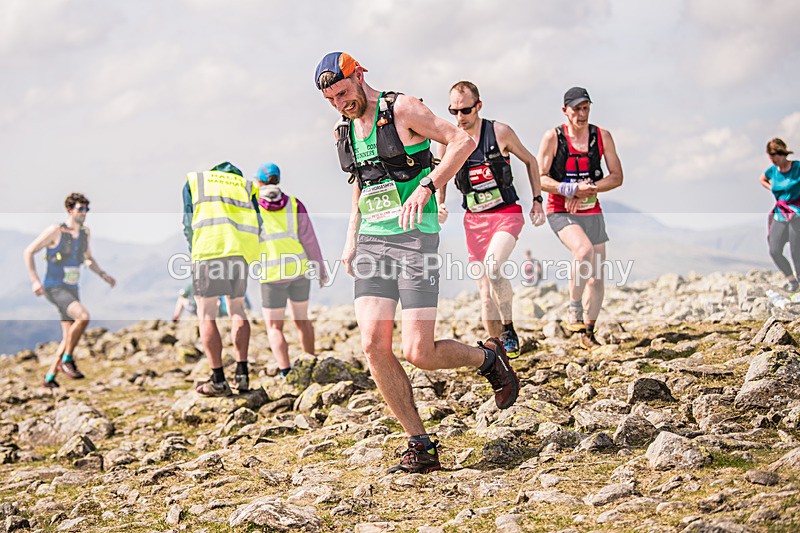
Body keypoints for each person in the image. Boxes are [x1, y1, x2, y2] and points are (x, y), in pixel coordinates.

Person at [315, 52, 520, 474]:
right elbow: (362, 182)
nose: (340, 103)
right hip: (373, 241)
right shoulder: (343, 128)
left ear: (359, 76)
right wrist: (351, 238)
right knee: (373, 345)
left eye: (343, 92)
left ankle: (488, 359)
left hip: (414, 240)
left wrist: (428, 185)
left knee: (419, 352)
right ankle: (420, 443)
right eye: (331, 98)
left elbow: (460, 141)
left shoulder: (402, 108)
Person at [437, 81, 545, 358]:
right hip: (474, 221)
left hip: (505, 214)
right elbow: (442, 175)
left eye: (466, 110)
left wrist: (537, 200)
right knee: (485, 293)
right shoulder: (449, 141)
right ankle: (498, 353)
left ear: (479, 106)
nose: (460, 117)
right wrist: (439, 203)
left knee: (493, 266)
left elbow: (531, 161)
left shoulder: (500, 132)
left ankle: (508, 328)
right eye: (454, 111)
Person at [536, 87, 623, 350]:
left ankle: (588, 332)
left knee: (596, 277)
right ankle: (573, 306)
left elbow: (617, 176)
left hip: (591, 209)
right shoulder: (553, 138)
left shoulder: (601, 136)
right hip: (560, 209)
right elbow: (539, 179)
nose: (581, 114)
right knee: (583, 251)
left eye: (586, 107)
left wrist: (590, 188)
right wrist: (570, 189)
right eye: (576, 109)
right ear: (565, 111)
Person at [182, 162, 262, 396]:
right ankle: (242, 374)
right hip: (239, 253)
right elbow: (259, 223)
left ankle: (218, 379)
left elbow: (188, 223)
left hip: (208, 252)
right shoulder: (246, 186)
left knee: (206, 313)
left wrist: (194, 250)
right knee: (237, 309)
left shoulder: (197, 181)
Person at [23, 193, 116, 388]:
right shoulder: (56, 231)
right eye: (80, 209)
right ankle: (67, 360)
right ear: (69, 210)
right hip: (55, 287)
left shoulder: (85, 233)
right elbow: (29, 251)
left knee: (69, 336)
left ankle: (49, 378)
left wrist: (103, 274)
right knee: (83, 316)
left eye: (86, 210)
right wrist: (35, 281)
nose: (84, 213)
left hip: (73, 287)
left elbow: (88, 258)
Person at [254, 162, 326, 377]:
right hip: (299, 272)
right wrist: (321, 269)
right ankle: (310, 363)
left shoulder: (254, 208)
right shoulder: (295, 205)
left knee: (274, 327)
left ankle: (286, 371)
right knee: (302, 321)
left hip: (271, 275)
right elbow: (310, 241)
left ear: (258, 182)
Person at [759, 138, 800, 292]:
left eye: (773, 157)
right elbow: (762, 179)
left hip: (797, 212)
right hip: (780, 213)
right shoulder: (772, 171)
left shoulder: (797, 167)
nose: (773, 161)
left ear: (781, 154)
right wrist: (771, 188)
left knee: (797, 252)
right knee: (774, 249)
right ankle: (792, 280)